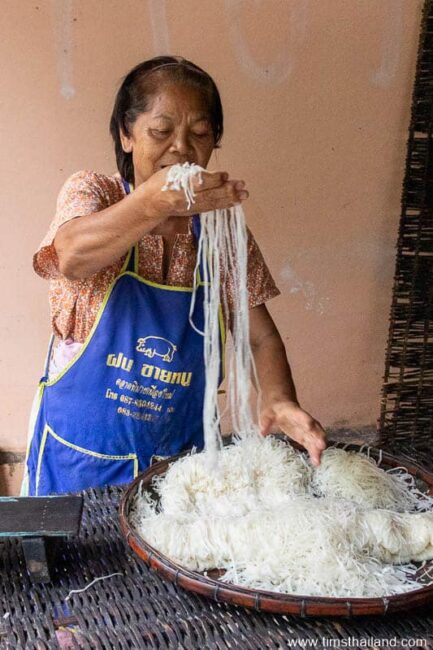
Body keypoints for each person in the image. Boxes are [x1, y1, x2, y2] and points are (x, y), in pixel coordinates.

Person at [22, 56, 326, 496]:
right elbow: (70, 256)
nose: (181, 148)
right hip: (79, 461)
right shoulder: (94, 192)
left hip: (179, 469)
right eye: (161, 132)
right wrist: (153, 204)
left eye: (200, 134)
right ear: (127, 135)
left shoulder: (219, 228)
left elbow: (259, 336)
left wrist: (279, 399)